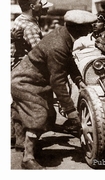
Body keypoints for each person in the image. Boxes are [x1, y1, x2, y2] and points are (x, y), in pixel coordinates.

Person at [11, 10, 97, 169]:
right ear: (78, 28)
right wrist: (71, 111)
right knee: (39, 115)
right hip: (26, 82)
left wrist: (79, 81)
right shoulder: (58, 45)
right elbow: (57, 81)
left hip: (28, 79)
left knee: (33, 114)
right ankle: (27, 158)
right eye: (88, 27)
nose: (91, 29)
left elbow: (68, 60)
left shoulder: (63, 34)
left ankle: (21, 144)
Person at [11, 0, 43, 69]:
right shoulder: (30, 26)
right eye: (40, 3)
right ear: (32, 6)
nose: (42, 5)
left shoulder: (20, 18)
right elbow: (40, 52)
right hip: (28, 68)